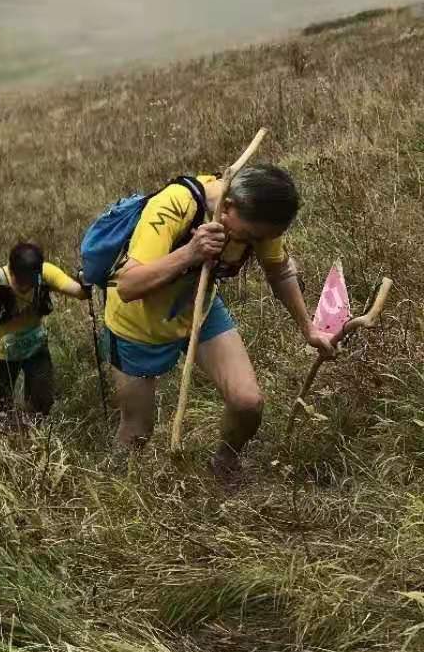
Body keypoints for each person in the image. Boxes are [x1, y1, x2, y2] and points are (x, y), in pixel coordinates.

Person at [102, 163, 334, 487]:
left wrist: (308, 329)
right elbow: (128, 286)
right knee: (137, 432)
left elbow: (278, 270)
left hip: (199, 310)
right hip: (137, 325)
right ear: (227, 207)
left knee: (247, 403)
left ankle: (224, 465)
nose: (257, 243)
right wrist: (190, 254)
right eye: (253, 237)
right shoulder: (174, 205)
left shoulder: (256, 220)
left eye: (264, 238)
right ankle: (114, 492)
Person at [0, 242, 89, 426]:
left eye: (30, 282)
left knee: (42, 395)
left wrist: (86, 282)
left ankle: (34, 425)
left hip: (34, 347)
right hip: (1, 353)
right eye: (20, 282)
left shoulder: (46, 273)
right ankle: (3, 429)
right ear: (11, 271)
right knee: (0, 399)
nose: (25, 287)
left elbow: (75, 290)